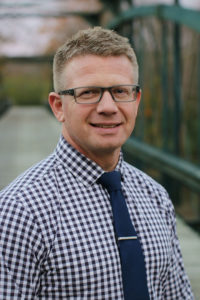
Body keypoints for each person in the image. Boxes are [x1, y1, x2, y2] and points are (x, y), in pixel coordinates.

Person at [0, 27, 193, 299]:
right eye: (89, 92)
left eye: (120, 91)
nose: (108, 106)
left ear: (136, 101)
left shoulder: (156, 197)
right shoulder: (19, 212)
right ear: (58, 106)